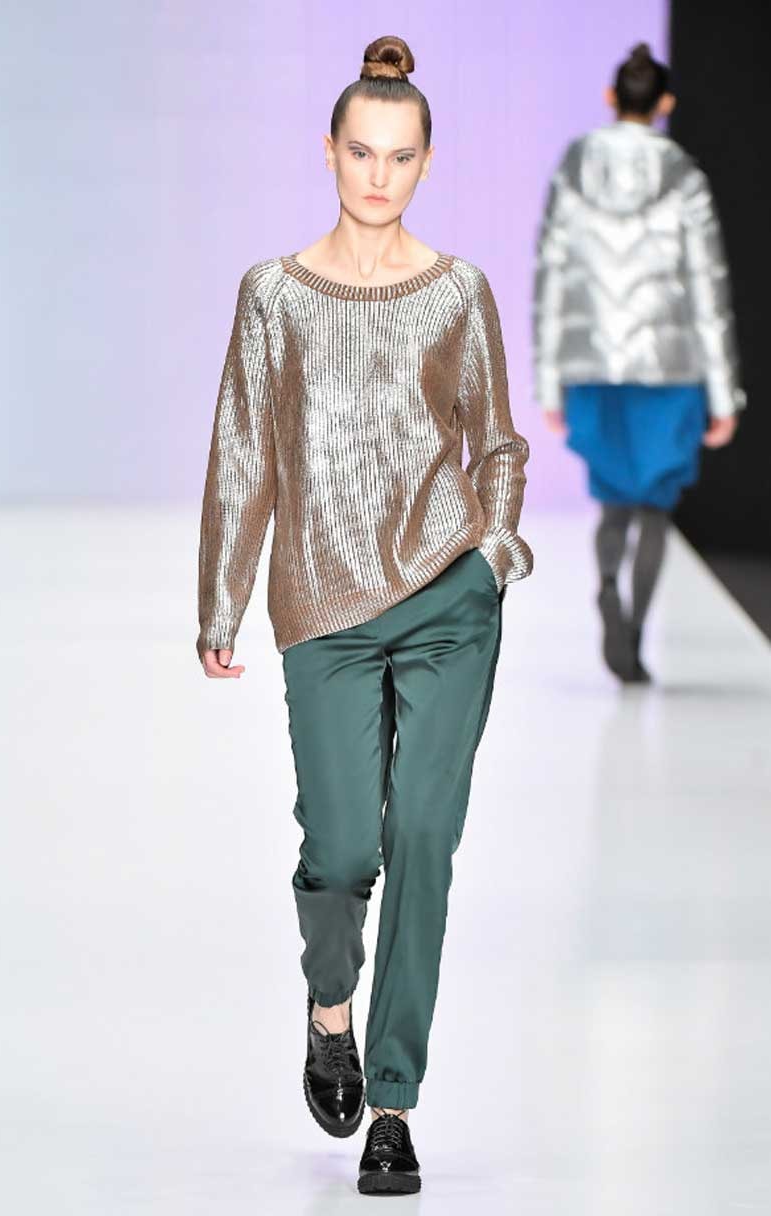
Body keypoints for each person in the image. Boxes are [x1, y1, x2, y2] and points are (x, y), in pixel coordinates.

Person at [195, 34, 533, 1196]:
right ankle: (328, 1006)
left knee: (424, 840)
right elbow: (244, 450)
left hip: (448, 600)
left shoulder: (459, 292)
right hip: (324, 604)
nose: (378, 175)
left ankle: (393, 1103)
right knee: (342, 852)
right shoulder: (274, 295)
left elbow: (497, 441)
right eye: (360, 151)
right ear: (330, 151)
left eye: (399, 155)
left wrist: (492, 554)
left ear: (427, 161)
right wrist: (222, 597)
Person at [533, 42, 745, 682]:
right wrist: (725, 395)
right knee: (654, 508)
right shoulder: (684, 175)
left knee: (612, 503)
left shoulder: (574, 166)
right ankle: (633, 633)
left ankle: (606, 586)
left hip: (594, 368)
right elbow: (708, 287)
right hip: (670, 369)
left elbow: (551, 275)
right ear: (666, 103)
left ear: (610, 96)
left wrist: (549, 382)